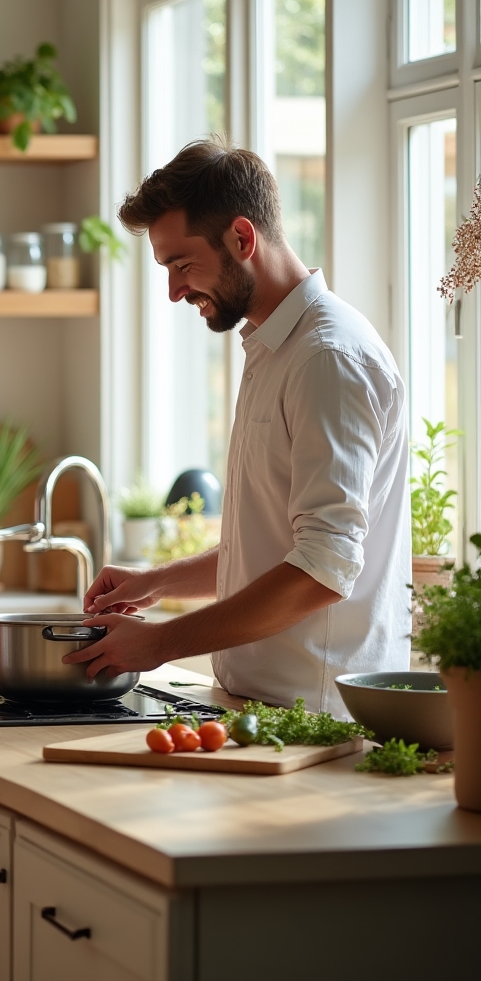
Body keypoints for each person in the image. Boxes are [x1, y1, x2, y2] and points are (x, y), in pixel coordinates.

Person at [67, 140, 410, 715]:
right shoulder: (276, 346)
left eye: (181, 264)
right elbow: (276, 547)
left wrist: (156, 644)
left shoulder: (327, 358)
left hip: (318, 719)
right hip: (261, 708)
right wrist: (155, 582)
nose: (175, 291)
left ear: (242, 239)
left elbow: (322, 571)